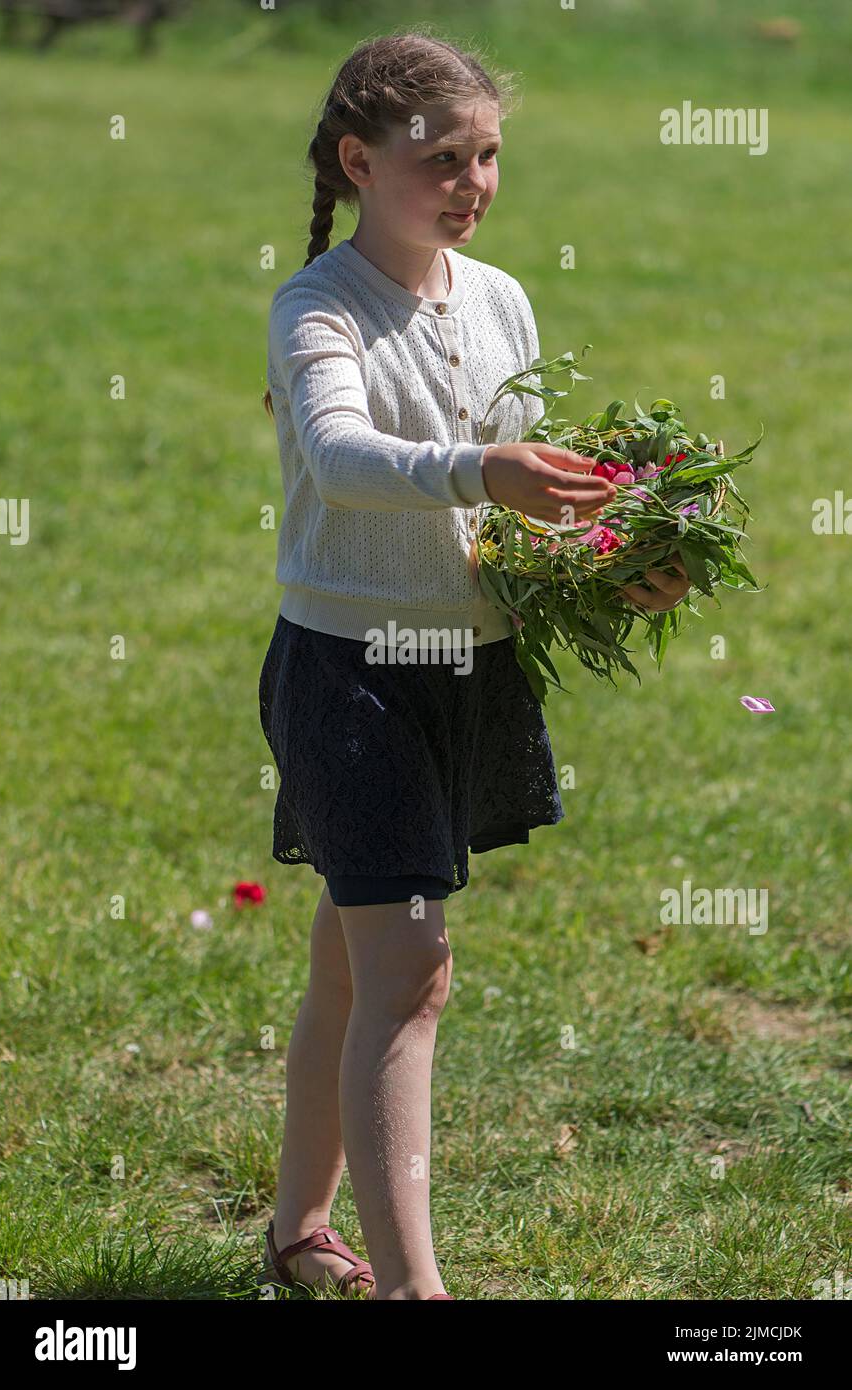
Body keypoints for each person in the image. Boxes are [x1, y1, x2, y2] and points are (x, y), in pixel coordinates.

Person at [257, 30, 689, 1302]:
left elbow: (519, 502)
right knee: (410, 970)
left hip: (472, 668)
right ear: (359, 159)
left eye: (487, 153)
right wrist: (477, 470)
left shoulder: (499, 297)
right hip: (354, 675)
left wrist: (614, 555)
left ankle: (299, 1232)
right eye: (439, 157)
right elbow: (338, 453)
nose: (471, 180)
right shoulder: (318, 304)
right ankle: (413, 1291)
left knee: (353, 958)